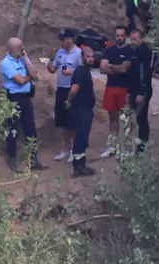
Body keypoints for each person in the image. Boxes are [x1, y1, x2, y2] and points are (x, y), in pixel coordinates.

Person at [1, 37, 47, 173]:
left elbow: (35, 75)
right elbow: (20, 81)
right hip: (13, 99)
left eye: (22, 47)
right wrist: (30, 77)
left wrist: (25, 56)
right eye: (19, 48)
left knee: (31, 130)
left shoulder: (22, 59)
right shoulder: (5, 63)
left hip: (26, 98)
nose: (22, 49)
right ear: (11, 48)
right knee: (13, 130)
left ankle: (33, 160)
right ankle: (12, 160)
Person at [98, 25, 135, 158]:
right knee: (112, 119)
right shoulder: (109, 50)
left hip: (125, 88)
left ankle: (128, 147)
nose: (119, 38)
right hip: (111, 87)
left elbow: (125, 69)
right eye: (117, 35)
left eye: (122, 35)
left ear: (125, 36)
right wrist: (116, 68)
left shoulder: (130, 50)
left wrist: (111, 66)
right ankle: (112, 146)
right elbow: (102, 69)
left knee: (126, 119)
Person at [63, 44, 97, 177]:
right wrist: (69, 101)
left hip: (85, 109)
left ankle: (81, 165)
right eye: (88, 56)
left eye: (93, 56)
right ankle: (78, 168)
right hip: (81, 111)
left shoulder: (84, 70)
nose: (91, 59)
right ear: (83, 57)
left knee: (82, 139)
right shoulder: (81, 71)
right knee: (80, 139)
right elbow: (74, 89)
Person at [48, 28, 81, 162]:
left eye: (63, 39)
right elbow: (53, 69)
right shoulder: (60, 52)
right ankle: (66, 149)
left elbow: (83, 73)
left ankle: (75, 150)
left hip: (73, 90)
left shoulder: (79, 53)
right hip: (61, 89)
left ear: (70, 39)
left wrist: (72, 73)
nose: (60, 42)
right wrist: (49, 63)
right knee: (63, 122)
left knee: (73, 121)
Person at [128, 28, 154, 153]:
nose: (133, 42)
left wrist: (141, 92)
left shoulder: (145, 52)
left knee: (141, 117)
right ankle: (139, 144)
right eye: (131, 39)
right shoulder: (134, 51)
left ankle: (142, 146)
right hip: (134, 89)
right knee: (138, 118)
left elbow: (146, 74)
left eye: (135, 39)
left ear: (141, 39)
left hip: (142, 91)